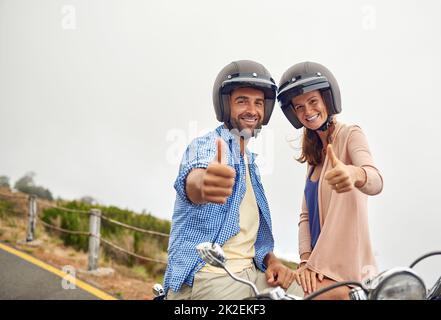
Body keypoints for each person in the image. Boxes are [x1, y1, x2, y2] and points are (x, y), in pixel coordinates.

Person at [164, 60, 303, 300]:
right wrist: (204, 183)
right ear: (225, 105)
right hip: (210, 275)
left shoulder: (250, 163)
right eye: (242, 101)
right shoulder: (207, 145)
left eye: (258, 103)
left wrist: (272, 262)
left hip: (250, 274)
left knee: (309, 293)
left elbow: (252, 238)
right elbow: (194, 179)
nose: (252, 110)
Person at [277, 61, 384, 299]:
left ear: (328, 99)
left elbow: (375, 180)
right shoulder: (314, 156)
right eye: (299, 106)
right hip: (316, 267)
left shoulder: (350, 134)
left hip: (346, 271)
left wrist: (354, 174)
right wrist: (305, 260)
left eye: (313, 101)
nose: (307, 111)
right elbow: (306, 216)